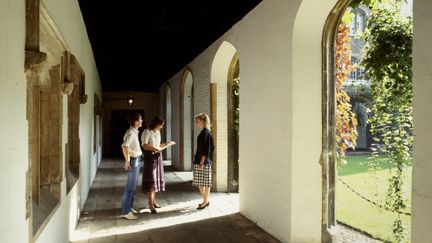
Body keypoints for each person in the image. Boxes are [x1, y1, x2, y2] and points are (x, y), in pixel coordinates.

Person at [141, 116, 176, 214]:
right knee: (151, 180)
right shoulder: (147, 132)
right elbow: (144, 145)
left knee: (155, 179)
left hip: (157, 157)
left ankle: (153, 201)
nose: (162, 127)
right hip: (150, 157)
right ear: (156, 123)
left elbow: (158, 145)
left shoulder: (158, 132)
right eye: (161, 125)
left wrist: (167, 144)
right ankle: (150, 205)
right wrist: (156, 149)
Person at [121, 112, 143, 220]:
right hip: (134, 161)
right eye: (140, 119)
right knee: (130, 187)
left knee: (133, 187)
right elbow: (125, 146)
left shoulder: (135, 131)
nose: (142, 121)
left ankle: (129, 207)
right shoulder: (131, 133)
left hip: (137, 159)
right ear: (136, 121)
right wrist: (127, 161)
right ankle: (126, 212)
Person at [193, 113, 215, 210]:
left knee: (205, 183)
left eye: (198, 121)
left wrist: (201, 163)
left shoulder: (206, 133)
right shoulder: (203, 132)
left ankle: (205, 201)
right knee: (199, 182)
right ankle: (206, 200)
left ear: (203, 121)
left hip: (204, 162)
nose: (196, 123)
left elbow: (206, 151)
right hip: (200, 161)